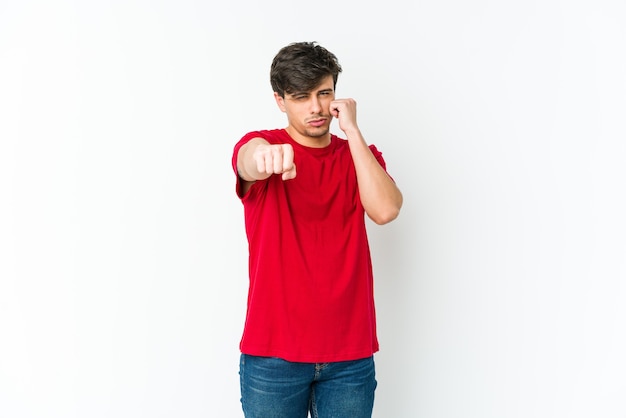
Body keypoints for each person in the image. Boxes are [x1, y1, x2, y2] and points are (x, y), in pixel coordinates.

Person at [232, 41, 403, 418]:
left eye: (324, 93)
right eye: (300, 96)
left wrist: (352, 131)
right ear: (280, 100)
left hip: (349, 357)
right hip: (273, 355)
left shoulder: (359, 157)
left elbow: (386, 209)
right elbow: (249, 161)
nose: (315, 107)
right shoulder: (264, 145)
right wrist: (262, 159)